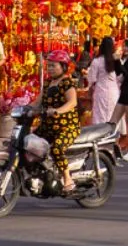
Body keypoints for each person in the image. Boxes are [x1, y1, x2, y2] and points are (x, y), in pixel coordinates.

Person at [33, 49, 80, 192]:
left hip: (67, 127)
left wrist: (57, 111)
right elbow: (37, 103)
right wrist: (23, 109)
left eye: (54, 65)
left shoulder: (67, 83)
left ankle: (67, 179)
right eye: (49, 65)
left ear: (63, 67)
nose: (50, 68)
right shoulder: (48, 83)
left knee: (57, 148)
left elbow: (72, 102)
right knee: (28, 142)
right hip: (48, 125)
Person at [87, 37, 121, 126]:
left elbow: (92, 79)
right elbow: (121, 76)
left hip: (100, 92)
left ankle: (101, 136)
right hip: (114, 92)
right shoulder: (116, 60)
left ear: (101, 47)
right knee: (112, 115)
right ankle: (112, 136)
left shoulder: (97, 61)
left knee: (100, 116)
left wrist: (90, 90)